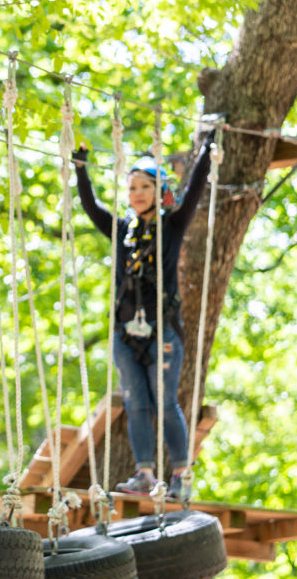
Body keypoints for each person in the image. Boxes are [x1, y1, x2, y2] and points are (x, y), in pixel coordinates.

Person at [72, 131, 214, 499]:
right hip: (126, 335)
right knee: (137, 404)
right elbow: (92, 208)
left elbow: (196, 190)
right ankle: (145, 474)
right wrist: (81, 170)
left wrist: (208, 150)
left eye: (144, 187)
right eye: (132, 187)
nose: (137, 194)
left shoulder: (172, 226)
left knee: (165, 405)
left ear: (158, 191)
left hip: (162, 333)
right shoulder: (122, 231)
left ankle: (181, 476)